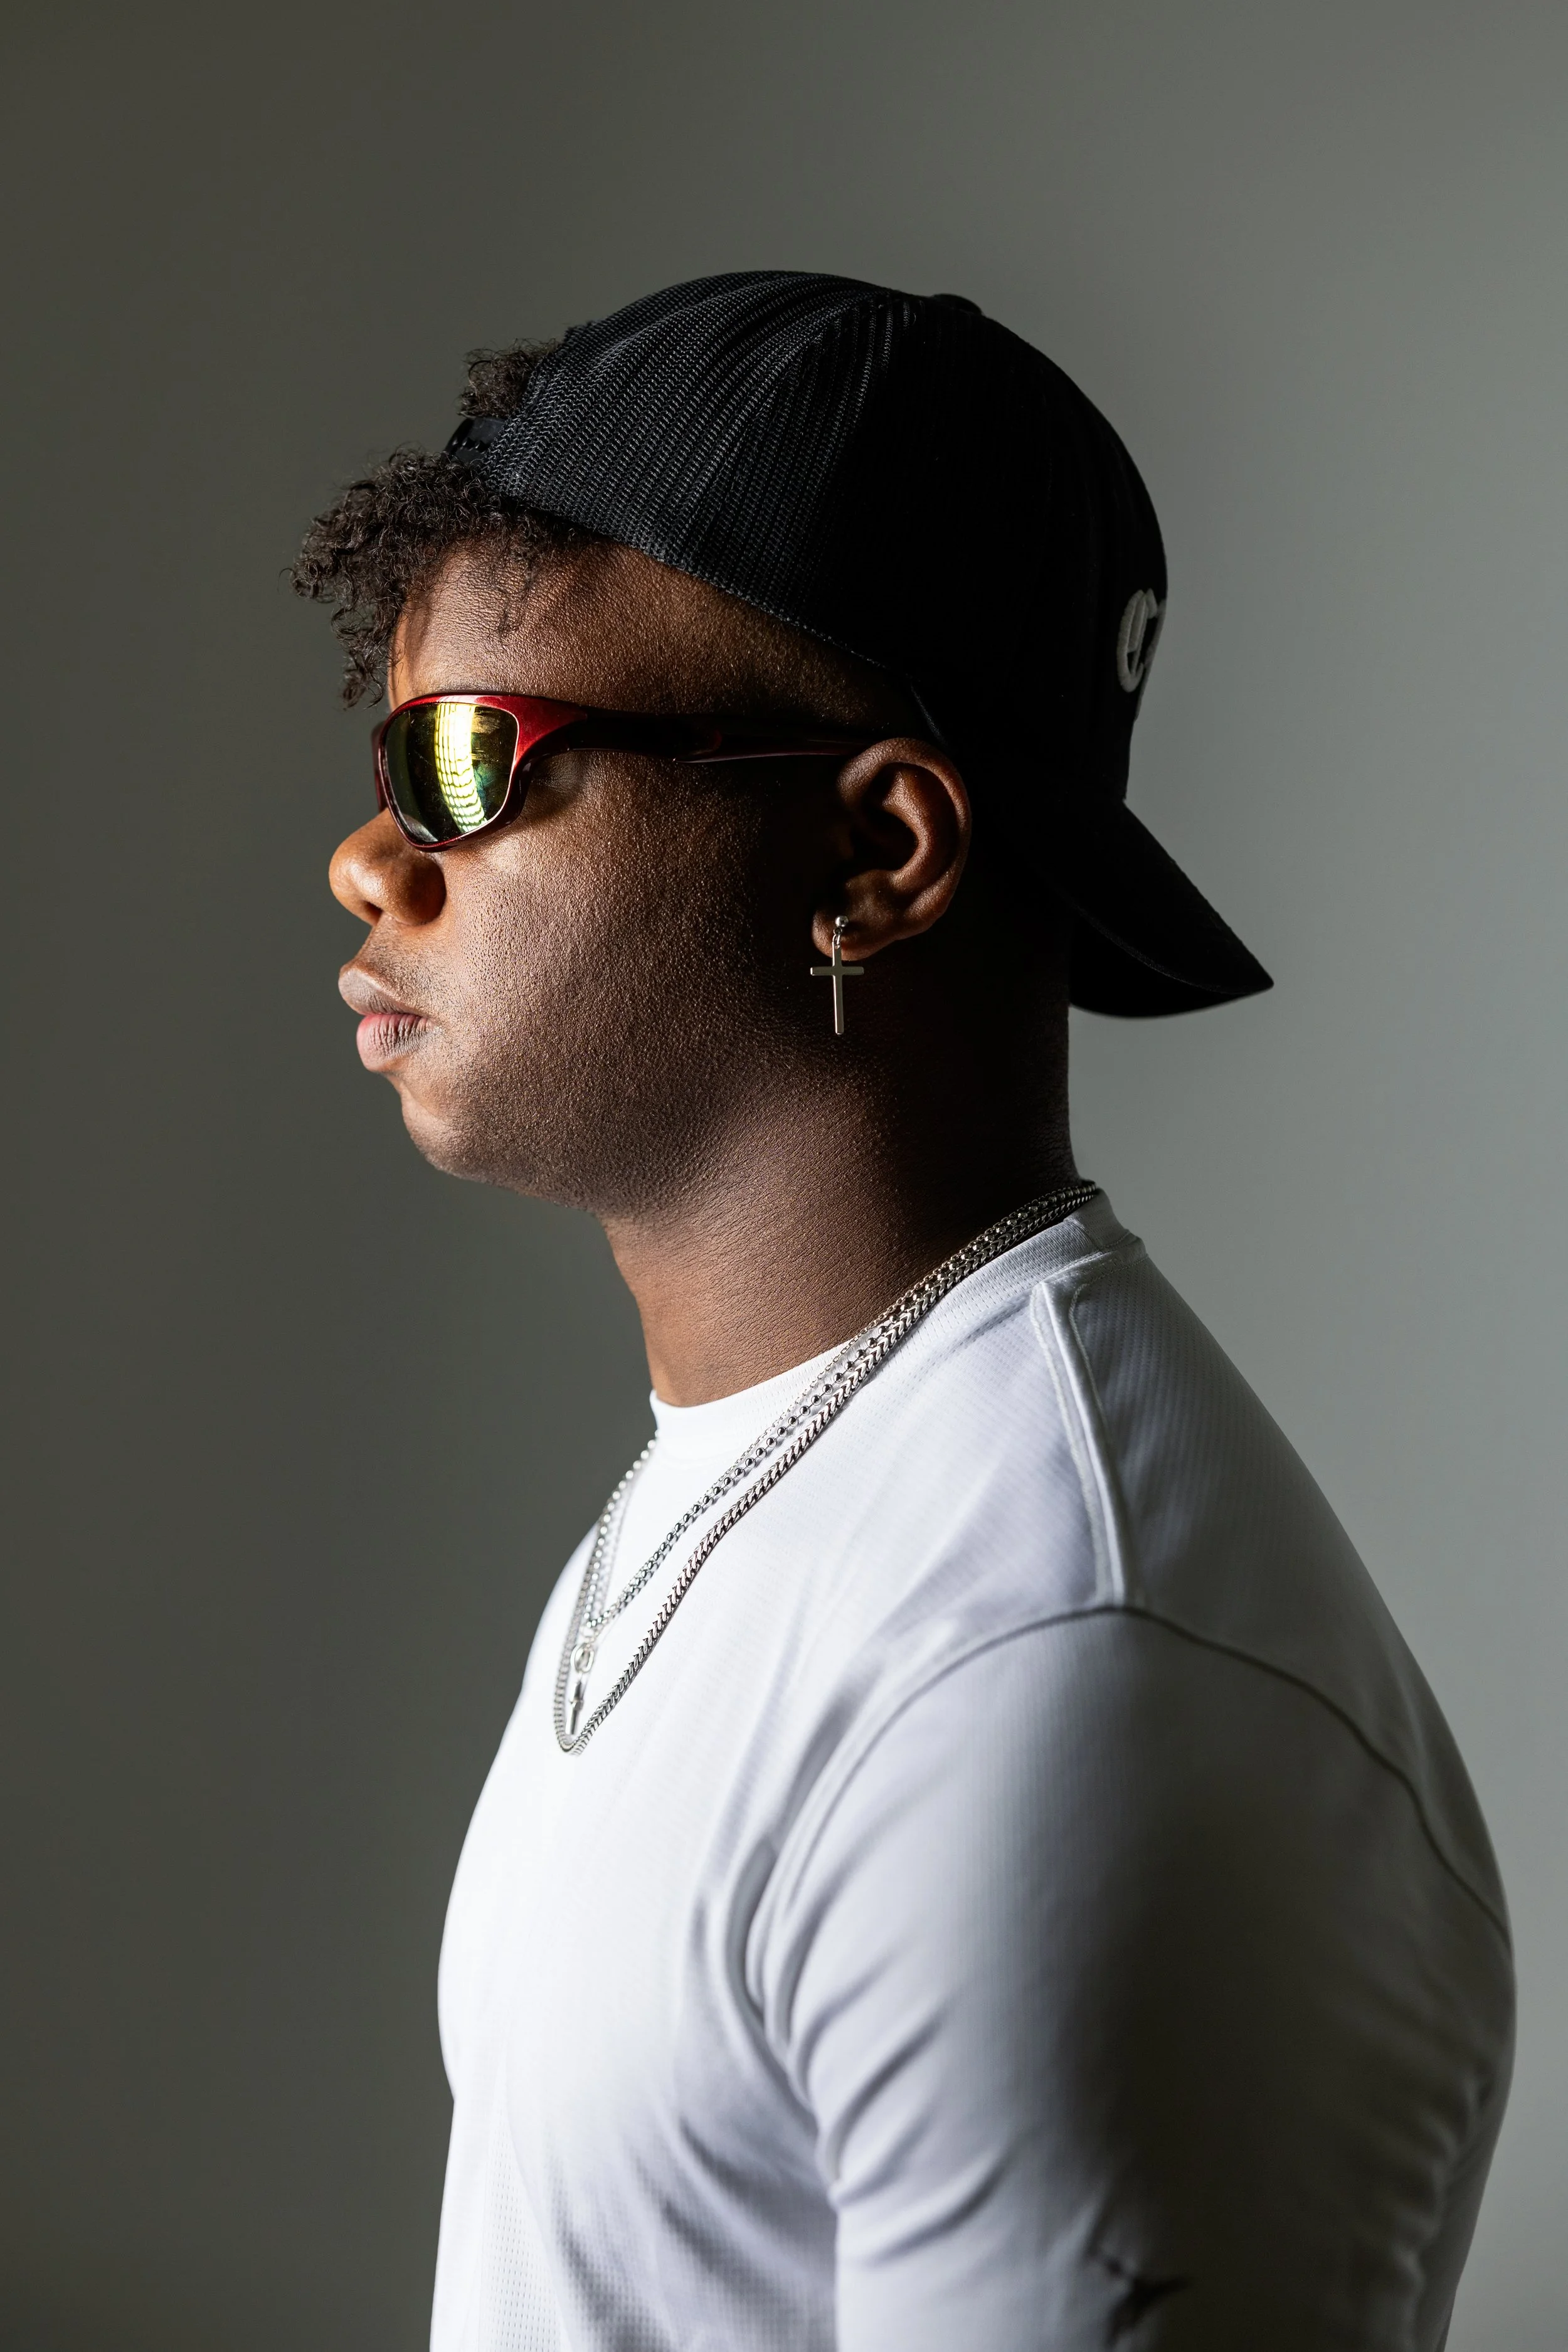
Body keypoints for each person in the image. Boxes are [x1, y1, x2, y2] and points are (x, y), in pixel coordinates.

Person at [297, 273, 1513, 2351]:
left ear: (874, 851)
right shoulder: (755, 1477)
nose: (368, 858)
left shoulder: (1055, 1680)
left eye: (475, 762)